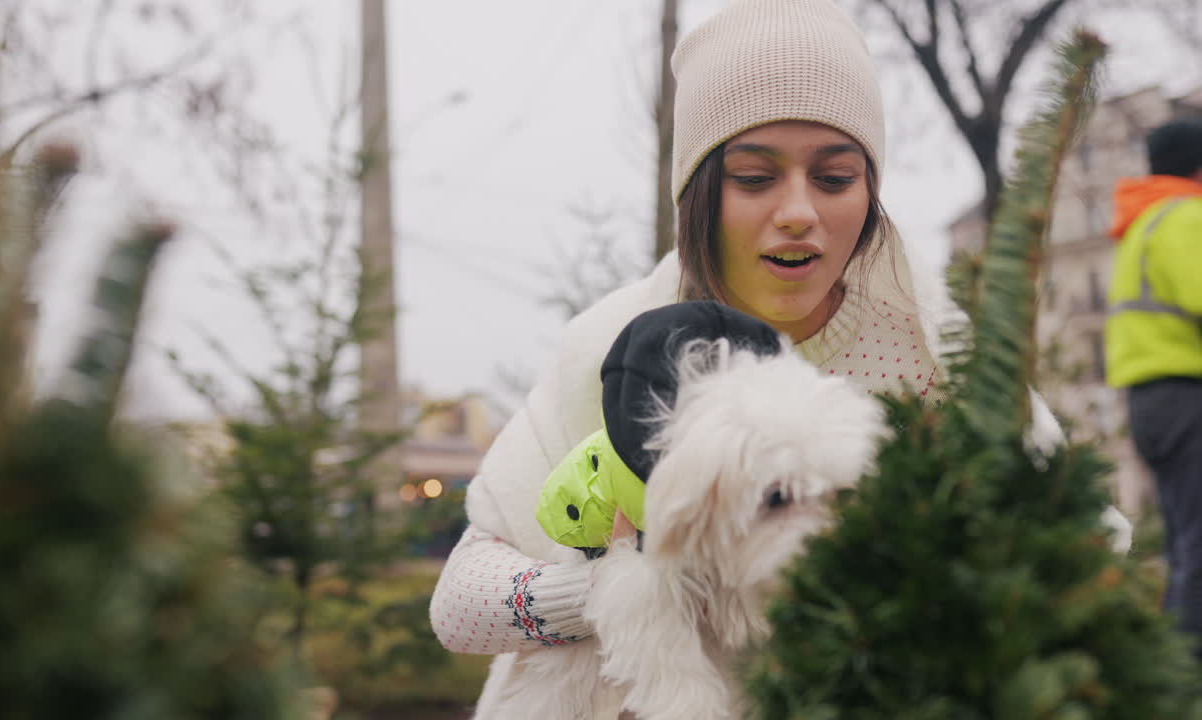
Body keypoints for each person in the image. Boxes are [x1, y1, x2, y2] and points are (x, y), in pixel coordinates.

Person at [430, 1, 1123, 716]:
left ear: (870, 191)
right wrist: (647, 591)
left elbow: (1089, 546)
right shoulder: (617, 348)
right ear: (698, 194)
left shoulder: (933, 351)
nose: (798, 211)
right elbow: (459, 605)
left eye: (834, 178)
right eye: (755, 178)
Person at [1105, 116, 1202, 657]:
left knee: (1185, 542)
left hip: (1147, 400)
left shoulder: (1142, 223)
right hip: (1186, 391)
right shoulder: (1187, 217)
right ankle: (1186, 677)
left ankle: (1169, 665)